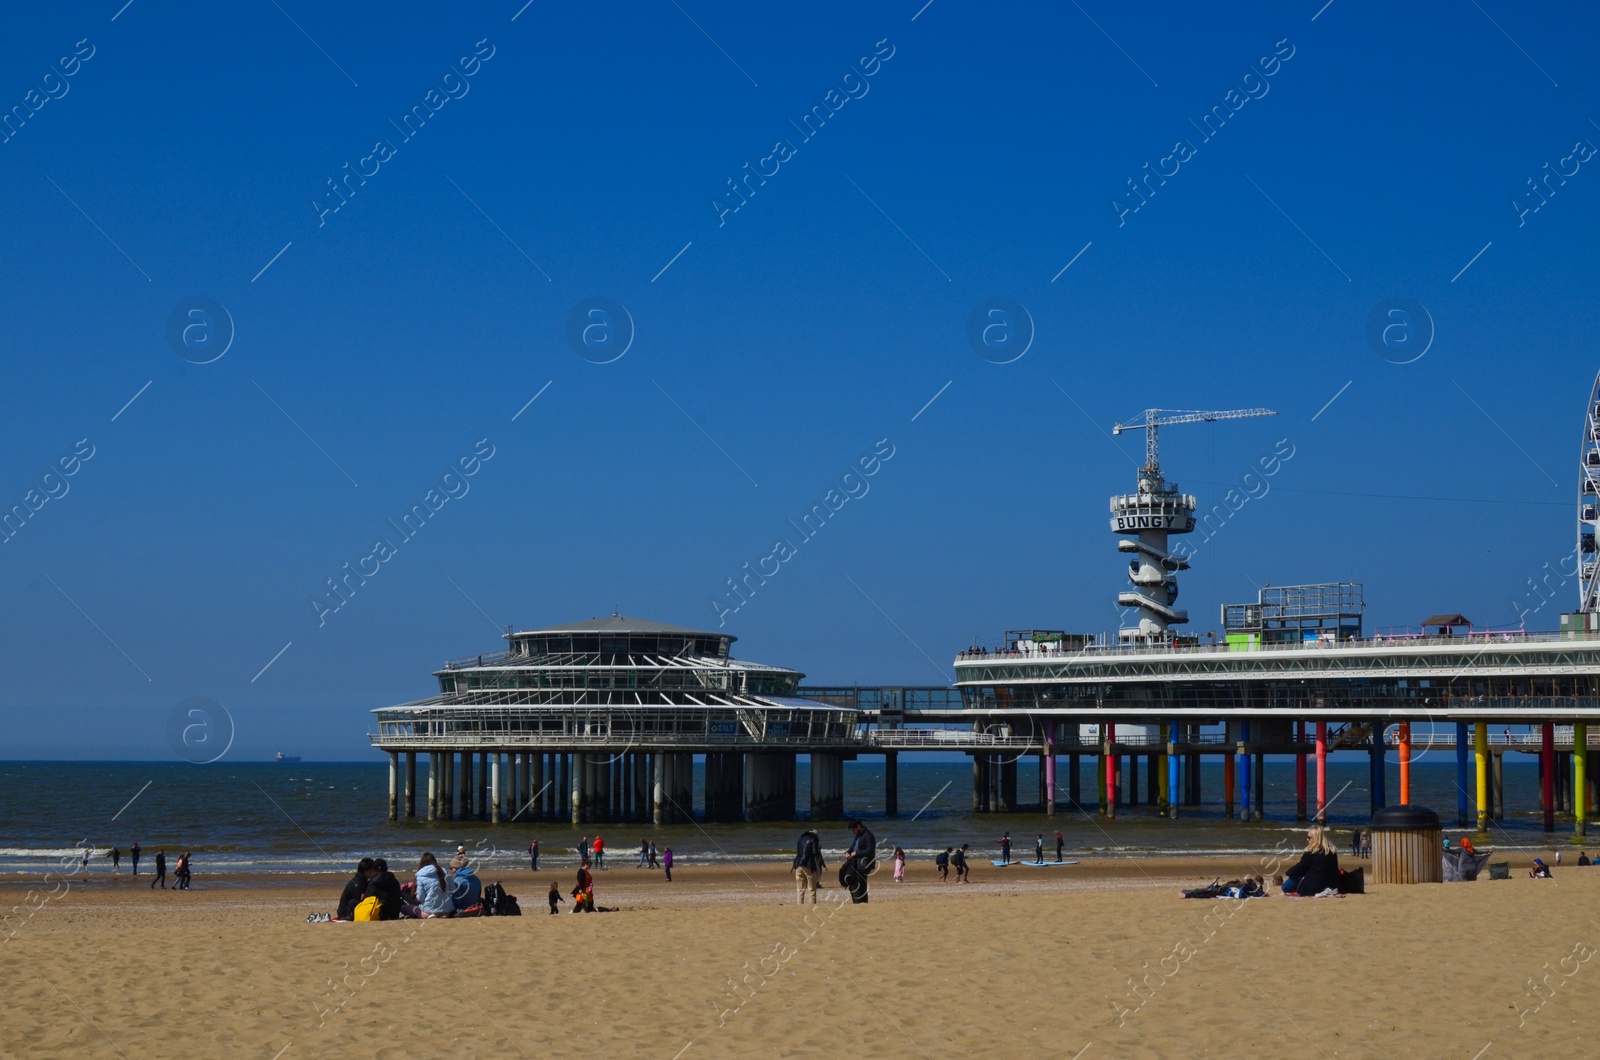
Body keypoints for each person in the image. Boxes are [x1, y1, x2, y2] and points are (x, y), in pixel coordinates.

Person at [1280, 825, 1341, 896]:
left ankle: (1287, 888)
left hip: (1312, 889)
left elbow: (1299, 868)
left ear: (1315, 838)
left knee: (1290, 881)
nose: (1307, 839)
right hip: (1330, 886)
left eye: (1309, 837)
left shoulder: (1310, 854)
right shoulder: (1332, 852)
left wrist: (1288, 872)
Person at [841, 820, 877, 903]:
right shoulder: (858, 836)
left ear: (858, 826)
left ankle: (862, 903)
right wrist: (847, 852)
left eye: (854, 830)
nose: (853, 832)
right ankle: (859, 903)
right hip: (855, 864)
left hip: (864, 865)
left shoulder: (868, 836)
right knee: (854, 884)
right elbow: (853, 847)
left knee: (860, 886)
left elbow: (870, 851)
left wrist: (856, 853)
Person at [407, 853, 453, 919]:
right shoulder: (444, 871)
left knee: (404, 908)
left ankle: (429, 915)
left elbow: (420, 897)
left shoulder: (420, 874)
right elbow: (453, 889)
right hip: (447, 909)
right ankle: (443, 915)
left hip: (429, 910)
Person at [793, 829, 825, 905]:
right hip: (809, 865)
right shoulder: (814, 839)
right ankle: (812, 906)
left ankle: (799, 906)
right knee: (812, 889)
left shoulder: (800, 839)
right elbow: (815, 853)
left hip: (798, 864)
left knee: (800, 889)